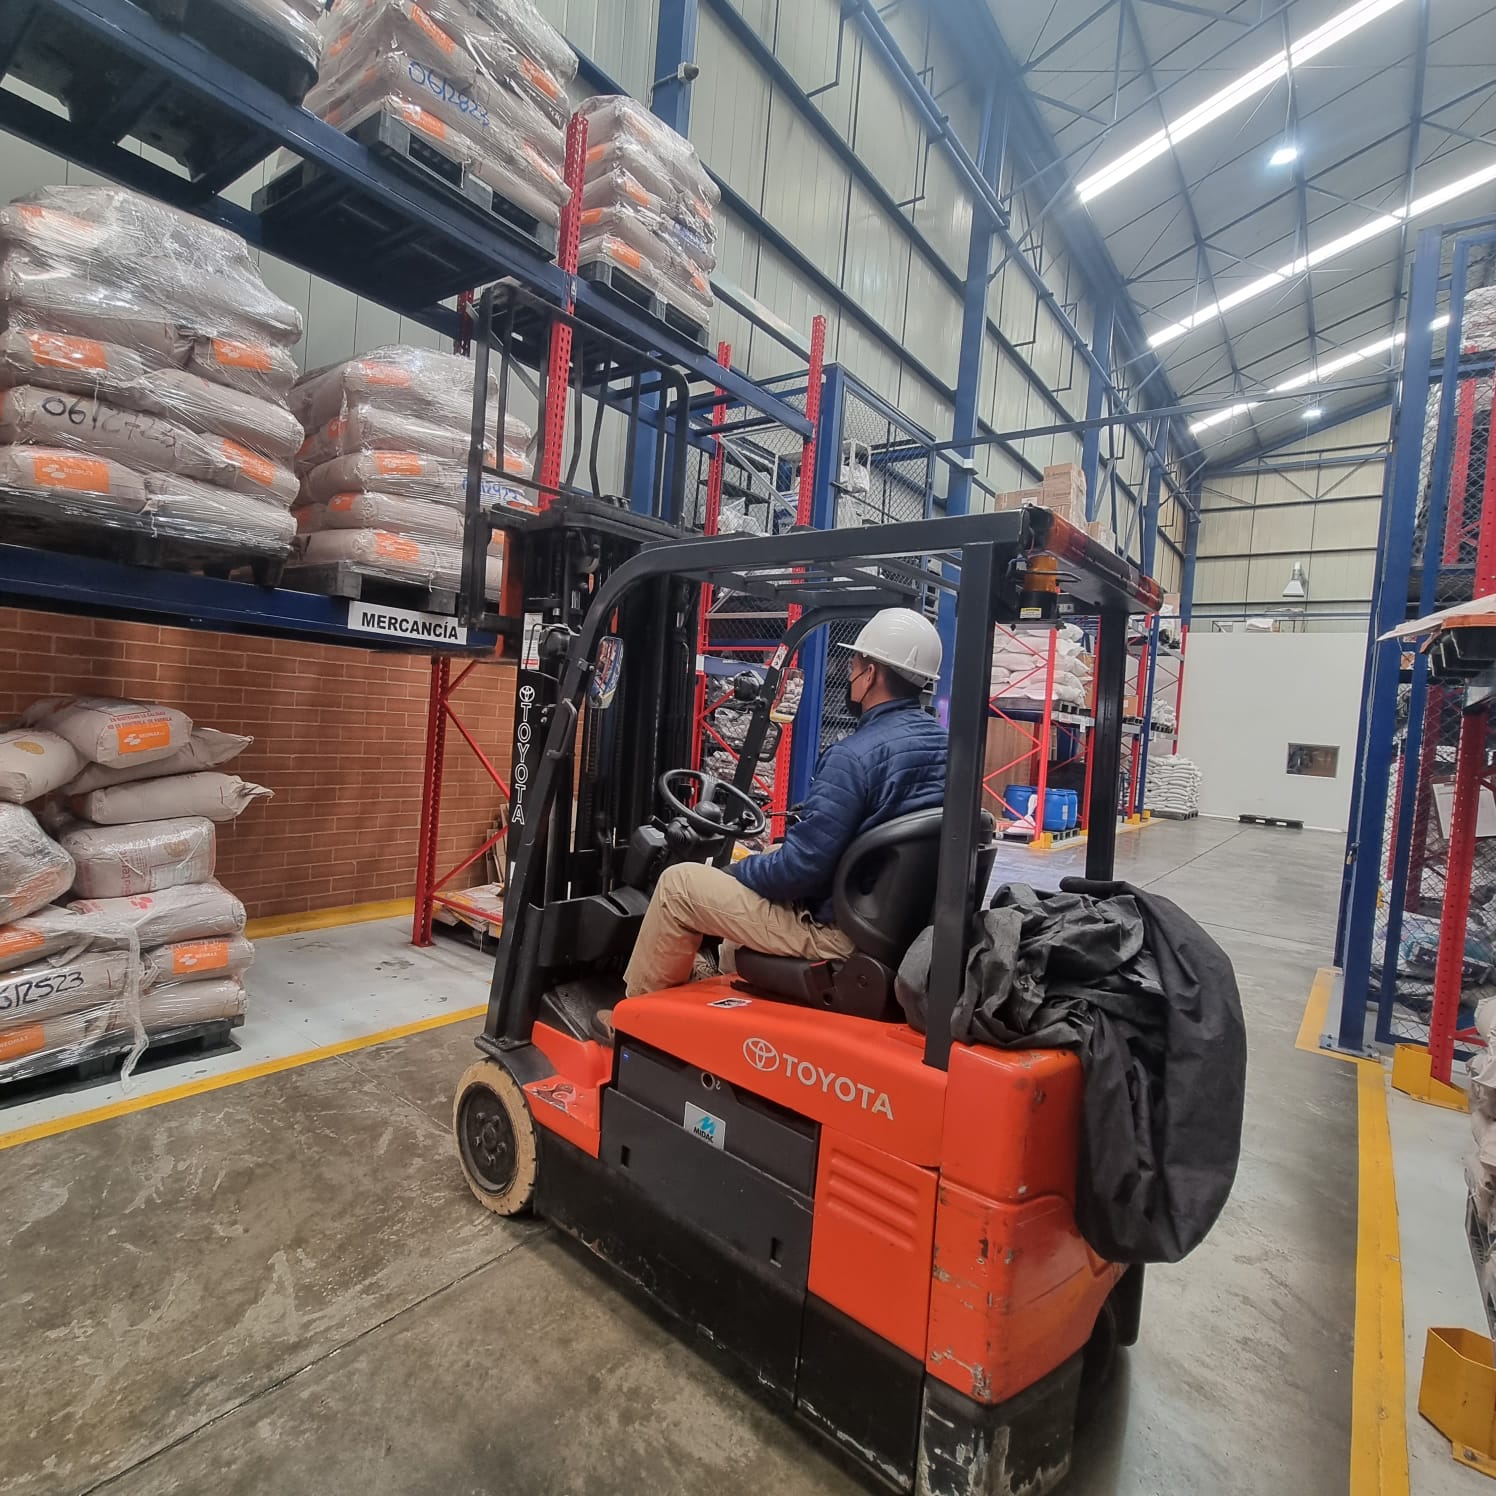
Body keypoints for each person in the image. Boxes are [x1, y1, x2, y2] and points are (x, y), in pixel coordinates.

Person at [619, 608, 948, 1000]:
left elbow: (802, 869)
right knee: (771, 854)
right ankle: (722, 977)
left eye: (855, 663)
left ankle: (634, 1014)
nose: (850, 673)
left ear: (871, 673)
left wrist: (736, 871)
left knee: (679, 886)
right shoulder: (945, 747)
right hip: (893, 923)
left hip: (839, 934)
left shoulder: (854, 757)